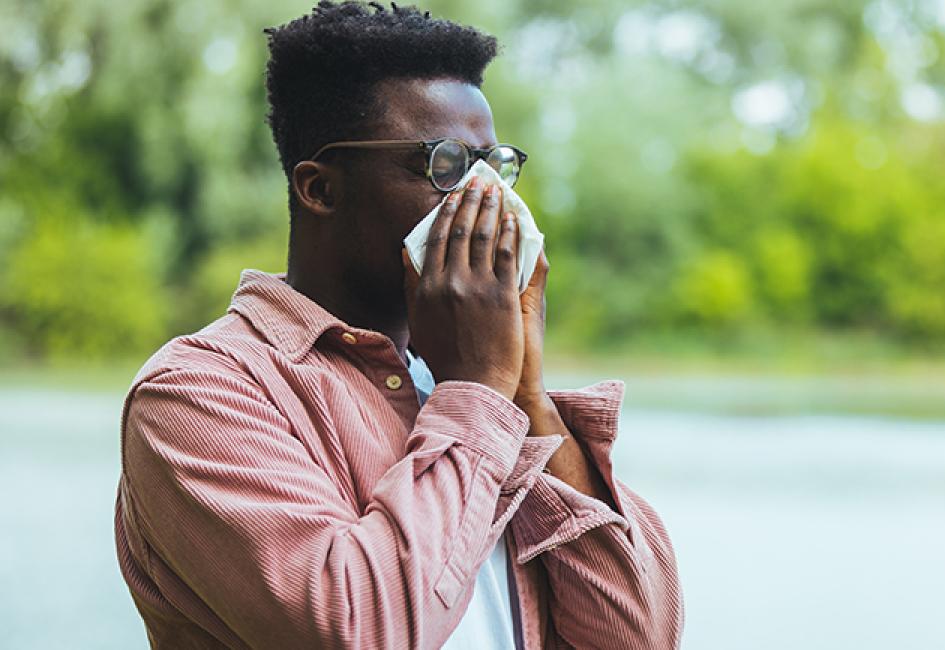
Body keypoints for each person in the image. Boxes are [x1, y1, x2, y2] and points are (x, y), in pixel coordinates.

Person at [112, 2, 684, 648]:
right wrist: (478, 395)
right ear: (320, 189)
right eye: (443, 166)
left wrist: (525, 395)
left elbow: (639, 636)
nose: (486, 200)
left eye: (492, 166)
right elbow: (358, 630)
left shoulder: (478, 391)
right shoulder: (197, 395)